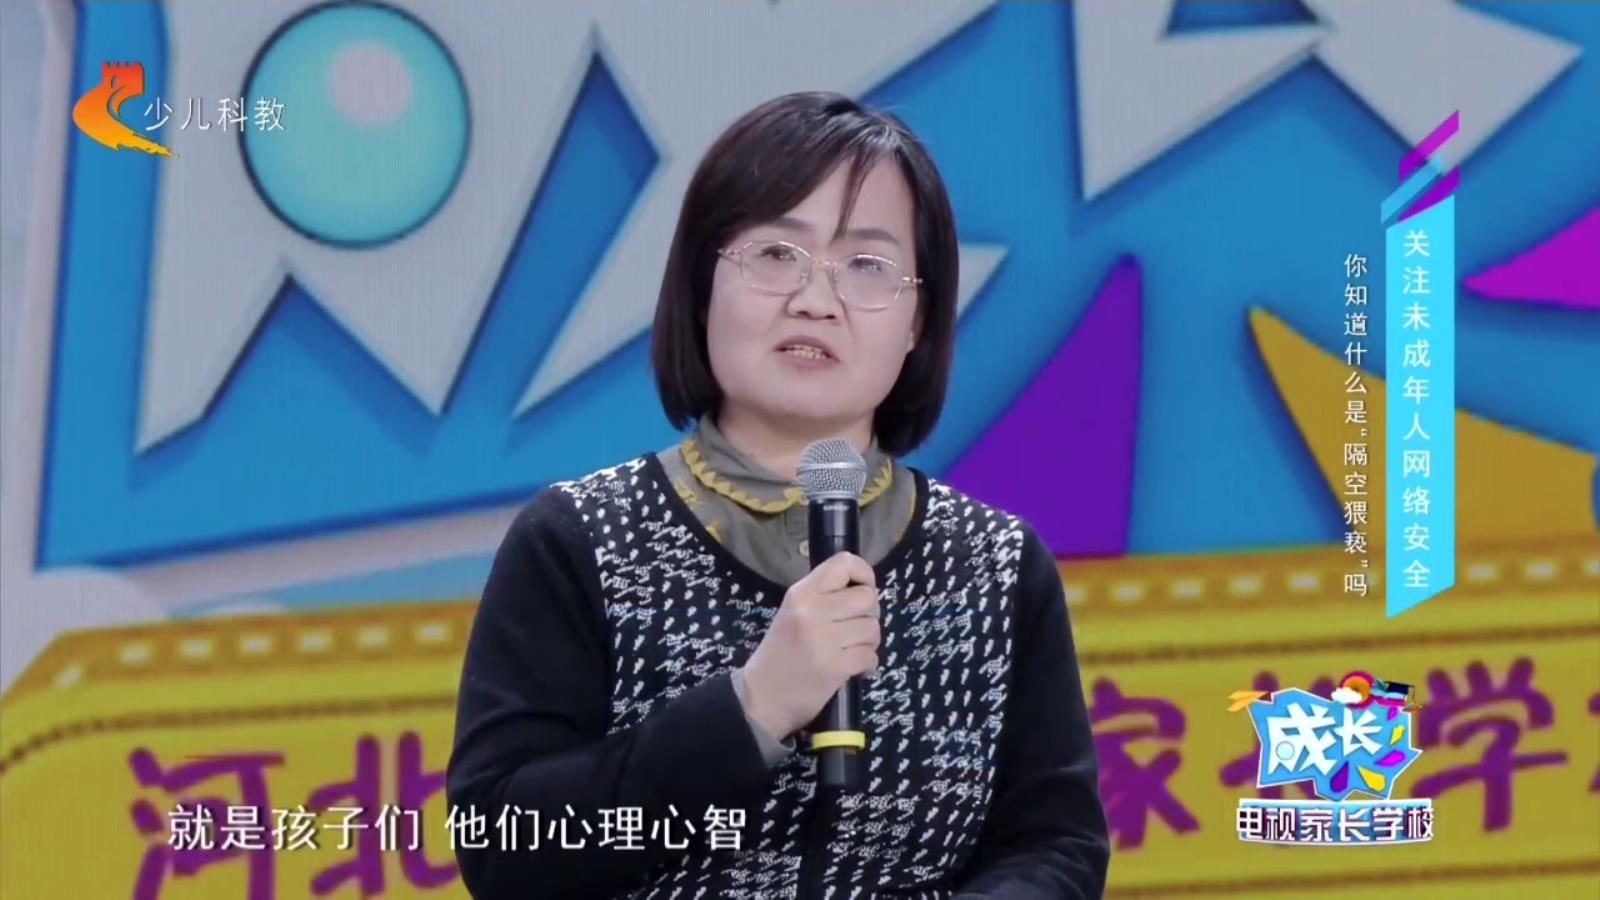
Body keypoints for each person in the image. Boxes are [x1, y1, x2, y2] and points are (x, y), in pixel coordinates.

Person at [448, 91, 1109, 899]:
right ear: (702, 286)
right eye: (775, 254)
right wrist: (752, 708)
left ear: (916, 320)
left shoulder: (997, 566)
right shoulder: (580, 539)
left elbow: (1056, 844)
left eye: (867, 265)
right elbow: (503, 843)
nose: (816, 300)